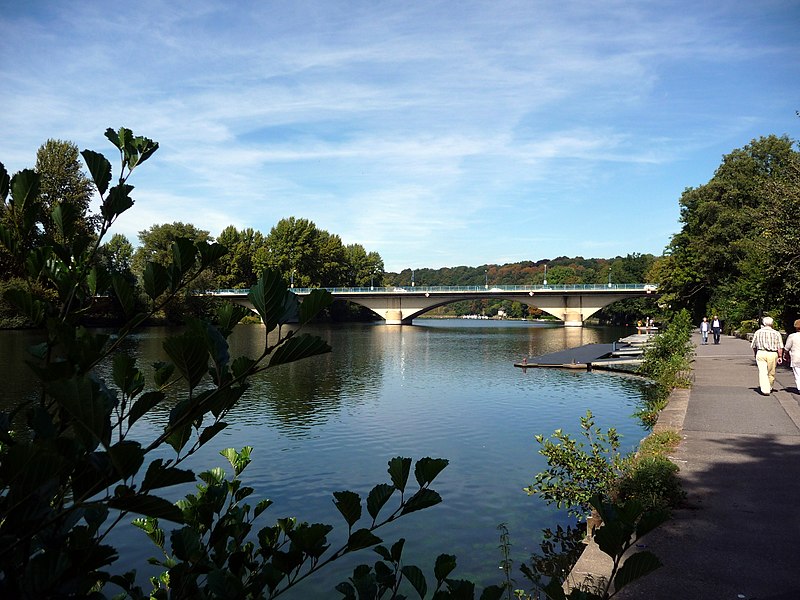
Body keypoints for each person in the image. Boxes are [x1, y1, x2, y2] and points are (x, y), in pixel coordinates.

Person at [750, 316, 784, 395]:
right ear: (772, 324)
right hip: (772, 353)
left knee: (762, 371)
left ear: (763, 323)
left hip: (761, 352)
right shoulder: (776, 333)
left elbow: (754, 345)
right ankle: (769, 387)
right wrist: (780, 356)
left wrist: (755, 354)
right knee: (771, 372)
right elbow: (780, 346)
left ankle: (765, 388)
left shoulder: (758, 332)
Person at [782, 319, 800, 393]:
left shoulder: (792, 336)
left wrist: (785, 354)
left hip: (796, 357)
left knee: (798, 373)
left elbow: (787, 347)